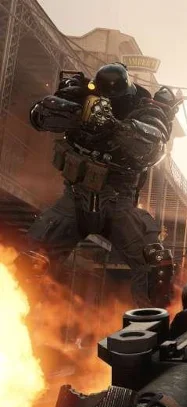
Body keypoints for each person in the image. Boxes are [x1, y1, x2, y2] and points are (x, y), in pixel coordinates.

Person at [22, 63, 178, 306]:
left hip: (118, 205)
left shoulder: (145, 107)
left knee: (156, 267)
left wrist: (114, 126)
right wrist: (77, 113)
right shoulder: (81, 92)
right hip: (75, 199)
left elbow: (153, 146)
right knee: (31, 261)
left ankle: (148, 325)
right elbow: (39, 115)